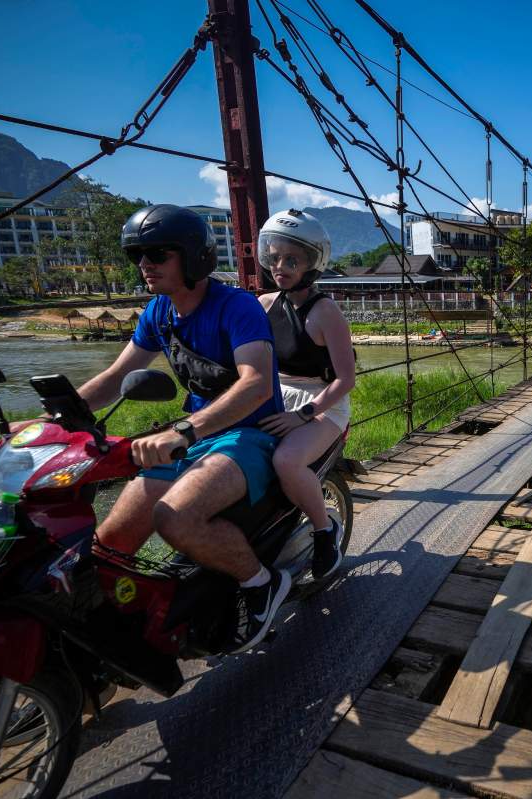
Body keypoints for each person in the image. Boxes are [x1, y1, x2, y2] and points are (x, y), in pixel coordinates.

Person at [78, 204, 289, 653]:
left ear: (193, 257)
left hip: (248, 434)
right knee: (107, 544)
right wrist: (53, 417)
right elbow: (116, 377)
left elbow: (255, 384)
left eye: (157, 253)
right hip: (196, 434)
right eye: (138, 254)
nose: (144, 264)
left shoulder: (238, 307)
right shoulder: (158, 312)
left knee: (174, 517)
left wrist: (185, 432)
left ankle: (260, 582)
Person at [256, 210, 357, 582]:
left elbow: (346, 379)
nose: (280, 266)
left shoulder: (326, 312)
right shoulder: (265, 304)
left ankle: (323, 531)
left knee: (286, 461)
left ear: (311, 264)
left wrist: (305, 414)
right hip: (276, 396)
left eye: (292, 260)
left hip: (321, 404)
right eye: (274, 257)